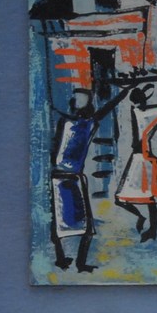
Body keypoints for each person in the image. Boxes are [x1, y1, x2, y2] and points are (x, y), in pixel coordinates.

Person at [50, 86, 131, 272]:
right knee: (70, 225)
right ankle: (68, 260)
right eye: (76, 99)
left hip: (69, 177)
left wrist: (123, 94)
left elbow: (106, 109)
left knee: (77, 225)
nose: (76, 102)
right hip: (66, 177)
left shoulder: (83, 123)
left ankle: (73, 261)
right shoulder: (73, 122)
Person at [114, 76, 157, 242]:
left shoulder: (141, 112)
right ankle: (145, 222)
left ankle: (151, 228)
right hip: (140, 157)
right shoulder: (142, 113)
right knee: (134, 199)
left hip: (143, 157)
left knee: (147, 199)